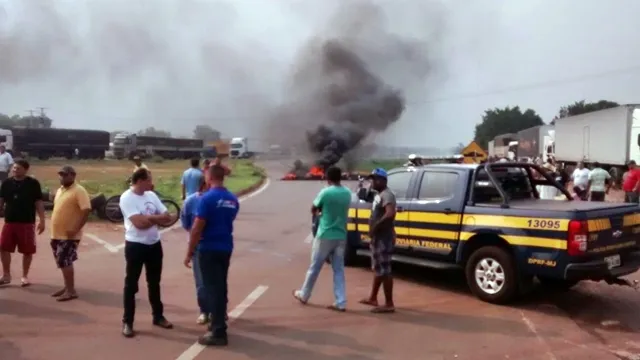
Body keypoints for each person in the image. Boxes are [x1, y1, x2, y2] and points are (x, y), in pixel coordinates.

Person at [185, 165, 239, 346]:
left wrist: (189, 252)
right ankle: (219, 322)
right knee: (221, 286)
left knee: (211, 289)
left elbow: (196, 228)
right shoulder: (232, 199)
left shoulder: (206, 199)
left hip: (208, 248)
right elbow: (228, 220)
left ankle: (217, 331)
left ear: (209, 177)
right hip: (225, 247)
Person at [119, 168, 174, 338]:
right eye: (149, 180)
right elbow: (139, 224)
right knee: (131, 285)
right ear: (141, 180)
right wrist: (156, 219)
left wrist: (149, 218)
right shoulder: (127, 198)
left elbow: (169, 216)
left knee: (154, 282)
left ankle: (158, 316)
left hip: (154, 244)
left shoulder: (151, 195)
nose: (152, 183)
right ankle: (128, 322)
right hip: (136, 246)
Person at [292, 166, 352, 312]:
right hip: (341, 235)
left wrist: (320, 213)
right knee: (338, 269)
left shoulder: (326, 192)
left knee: (315, 267)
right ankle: (341, 301)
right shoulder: (347, 193)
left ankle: (305, 294)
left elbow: (314, 208)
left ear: (328, 178)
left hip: (325, 234)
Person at [49, 165, 92, 301]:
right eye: (60, 174)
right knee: (61, 261)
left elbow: (86, 210)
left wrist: (76, 229)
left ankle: (71, 291)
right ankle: (67, 286)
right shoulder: (61, 190)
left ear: (73, 176)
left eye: (65, 175)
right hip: (56, 233)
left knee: (65, 261)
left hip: (69, 235)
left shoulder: (79, 190)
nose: (62, 177)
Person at [0, 159, 45, 287]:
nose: (15, 170)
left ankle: (25, 276)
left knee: (27, 251)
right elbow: (1, 200)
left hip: (27, 223)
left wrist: (42, 220)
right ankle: (6, 275)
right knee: (3, 248)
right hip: (9, 222)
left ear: (26, 170)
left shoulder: (33, 184)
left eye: (18, 168)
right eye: (14, 168)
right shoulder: (6, 183)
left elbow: (39, 202)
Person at [359, 168, 397, 314]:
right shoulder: (378, 194)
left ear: (383, 181)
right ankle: (373, 297)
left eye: (375, 179)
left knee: (385, 271)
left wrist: (375, 227)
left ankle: (389, 303)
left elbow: (390, 214)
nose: (372, 182)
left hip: (383, 238)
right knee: (378, 268)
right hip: (378, 237)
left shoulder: (387, 195)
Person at [180, 177, 210, 325]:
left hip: (216, 246)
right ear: (203, 185)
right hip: (199, 246)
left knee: (218, 281)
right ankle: (204, 311)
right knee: (201, 282)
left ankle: (219, 310)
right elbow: (186, 223)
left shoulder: (219, 199)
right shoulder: (191, 202)